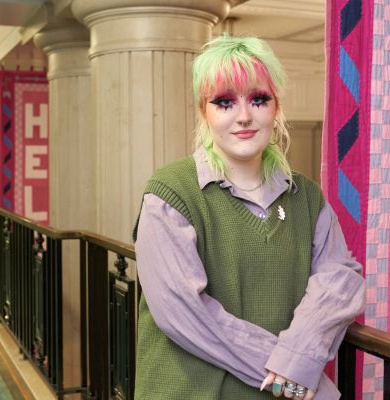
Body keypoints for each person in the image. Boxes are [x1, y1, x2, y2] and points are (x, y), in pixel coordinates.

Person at [133, 35, 366, 399]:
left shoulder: (305, 196)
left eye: (258, 99)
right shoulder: (170, 192)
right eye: (224, 102)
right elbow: (182, 312)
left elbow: (340, 279)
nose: (244, 116)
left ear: (277, 107)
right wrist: (296, 373)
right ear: (203, 111)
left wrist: (296, 361)